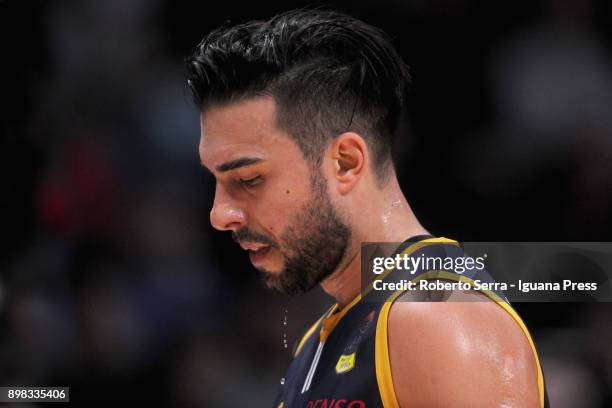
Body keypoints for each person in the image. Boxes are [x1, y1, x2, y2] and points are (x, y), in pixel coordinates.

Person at [186, 9, 548, 407]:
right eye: (215, 182)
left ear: (345, 161)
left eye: (249, 179)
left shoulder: (438, 320)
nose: (220, 215)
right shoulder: (322, 338)